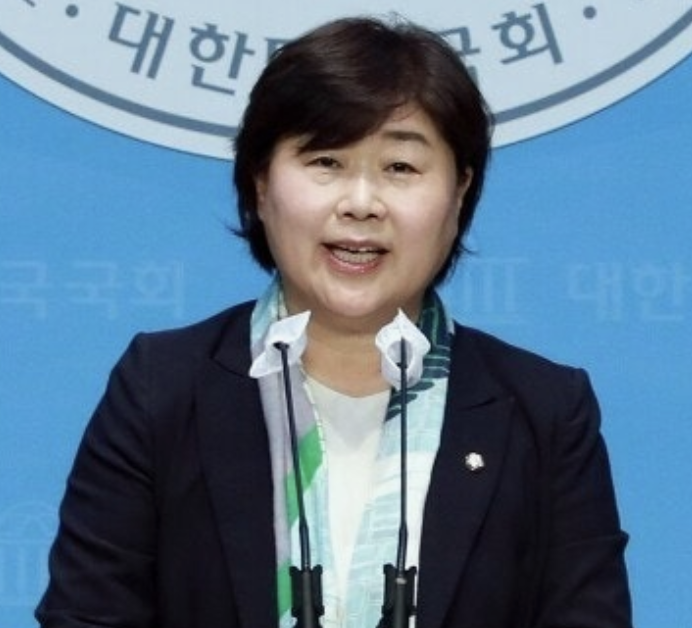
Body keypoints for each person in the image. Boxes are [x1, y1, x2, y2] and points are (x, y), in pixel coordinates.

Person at [36, 15, 633, 628]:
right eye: (326, 161)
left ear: (459, 192)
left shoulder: (544, 411)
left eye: (400, 168)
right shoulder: (161, 388)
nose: (361, 203)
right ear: (261, 182)